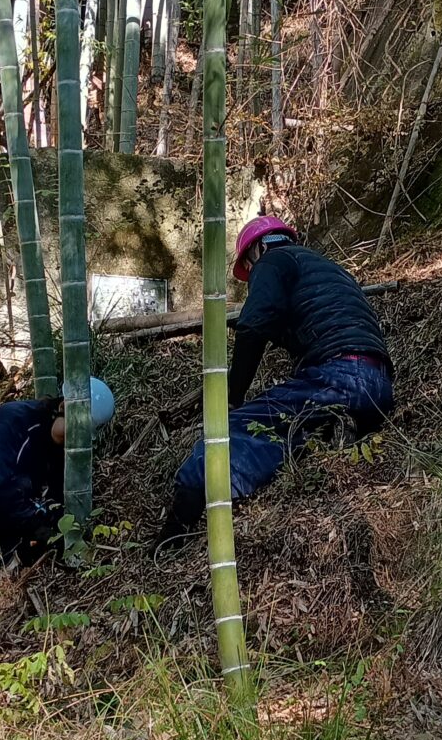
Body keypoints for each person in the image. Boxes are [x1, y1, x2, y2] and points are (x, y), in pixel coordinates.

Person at [163, 217, 393, 538]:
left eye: (248, 265)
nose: (251, 272)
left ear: (258, 248)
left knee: (233, 431)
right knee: (293, 431)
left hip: (337, 377)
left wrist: (232, 396)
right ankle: (337, 429)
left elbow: (253, 326)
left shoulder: (272, 261)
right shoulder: (328, 269)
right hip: (378, 384)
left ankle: (181, 519)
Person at [0, 377, 115, 569]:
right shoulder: (13, 421)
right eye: (73, 431)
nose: (73, 440)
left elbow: (56, 493)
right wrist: (39, 523)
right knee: (12, 500)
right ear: (62, 407)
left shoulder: (58, 444)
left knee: (23, 518)